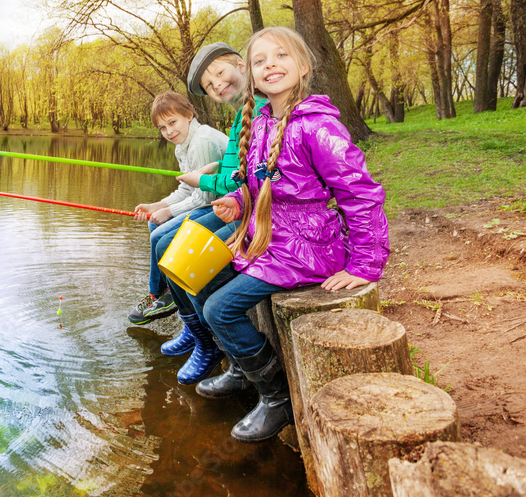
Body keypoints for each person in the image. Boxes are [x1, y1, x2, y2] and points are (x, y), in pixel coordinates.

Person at [193, 26, 389, 443]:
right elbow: (267, 186)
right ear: (252, 74)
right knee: (199, 276)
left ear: (303, 66)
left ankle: (277, 396)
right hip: (269, 236)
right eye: (260, 61)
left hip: (306, 247)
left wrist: (365, 266)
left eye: (280, 56)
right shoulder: (263, 122)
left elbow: (361, 194)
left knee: (219, 309)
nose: (270, 65)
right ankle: (243, 369)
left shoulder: (318, 127)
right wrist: (238, 202)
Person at [151, 42, 265, 387]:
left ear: (242, 65)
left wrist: (207, 178)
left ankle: (212, 345)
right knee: (169, 245)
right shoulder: (242, 116)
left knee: (183, 254)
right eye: (208, 84)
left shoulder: (265, 111)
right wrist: (214, 178)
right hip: (238, 203)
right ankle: (199, 335)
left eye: (219, 72)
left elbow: (261, 176)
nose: (216, 84)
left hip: (251, 210)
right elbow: (240, 175)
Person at [128, 92, 227, 324]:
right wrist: (157, 206)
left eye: (172, 123)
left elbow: (205, 196)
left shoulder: (201, 142)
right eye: (162, 128)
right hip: (209, 200)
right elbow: (186, 189)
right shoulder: (183, 143)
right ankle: (165, 291)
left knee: (159, 237)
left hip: (223, 206)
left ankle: (160, 294)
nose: (169, 132)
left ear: (189, 115)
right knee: (155, 221)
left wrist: (169, 212)